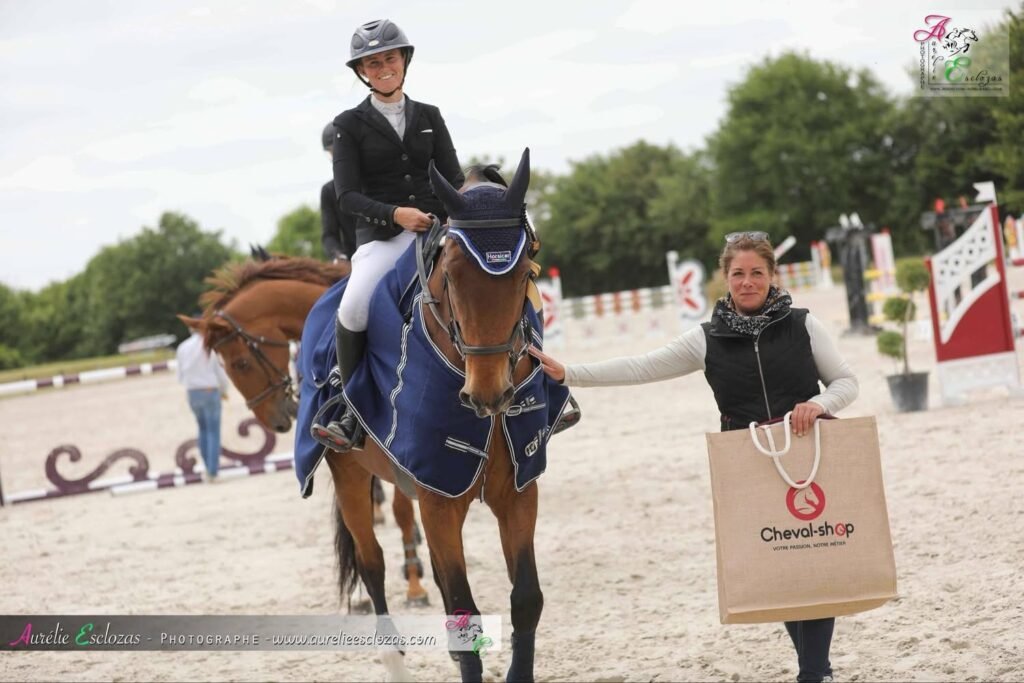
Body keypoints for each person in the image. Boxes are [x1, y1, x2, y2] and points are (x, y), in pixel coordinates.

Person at [529, 232, 857, 683]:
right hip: (746, 463)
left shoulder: (804, 325)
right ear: (725, 278)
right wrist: (571, 373)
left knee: (813, 561)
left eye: (756, 273)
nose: (747, 282)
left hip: (808, 455)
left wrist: (820, 405)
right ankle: (815, 668)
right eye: (738, 274)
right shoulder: (706, 339)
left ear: (772, 275)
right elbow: (642, 366)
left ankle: (814, 672)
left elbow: (846, 383)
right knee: (779, 566)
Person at [315, 18, 464, 451]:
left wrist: (460, 212)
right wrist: (396, 215)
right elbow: (347, 197)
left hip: (438, 231)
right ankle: (350, 407)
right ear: (362, 71)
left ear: (404, 61)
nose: (383, 67)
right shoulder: (348, 125)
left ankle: (541, 387)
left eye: (390, 58)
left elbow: (452, 177)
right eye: (373, 62)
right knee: (355, 305)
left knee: (495, 275)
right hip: (382, 239)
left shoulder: (430, 117)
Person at [176, 327, 230, 482]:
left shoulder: (182, 347)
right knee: (213, 432)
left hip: (192, 392)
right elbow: (220, 372)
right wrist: (224, 390)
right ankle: (212, 471)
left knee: (202, 429)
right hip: (209, 390)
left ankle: (207, 467)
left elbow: (180, 376)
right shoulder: (209, 346)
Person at [320, 121, 357, 264]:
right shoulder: (329, 191)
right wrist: (338, 256)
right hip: (354, 260)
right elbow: (329, 235)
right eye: (332, 152)